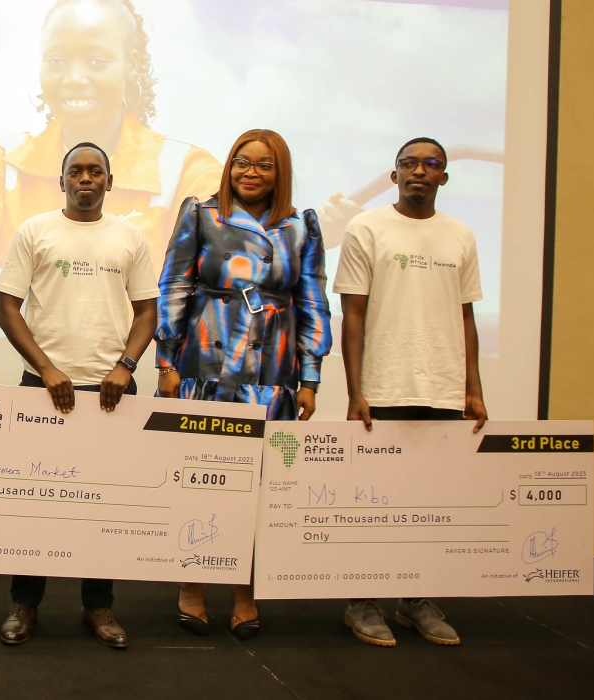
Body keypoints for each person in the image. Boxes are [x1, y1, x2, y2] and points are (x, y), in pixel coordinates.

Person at [156, 129, 332, 640]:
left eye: (263, 165)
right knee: (200, 479)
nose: (250, 173)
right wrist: (167, 364)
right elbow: (174, 285)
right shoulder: (201, 213)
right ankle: (191, 584)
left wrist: (311, 376)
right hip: (204, 363)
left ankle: (243, 590)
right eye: (241, 162)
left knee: (256, 489)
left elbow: (314, 301)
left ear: (281, 172)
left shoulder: (300, 226)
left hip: (271, 374)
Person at [0, 142, 158, 649]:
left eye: (95, 172)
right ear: (61, 180)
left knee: (103, 504)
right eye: (75, 171)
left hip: (111, 390)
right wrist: (45, 369)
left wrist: (125, 367)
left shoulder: (130, 237)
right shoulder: (35, 230)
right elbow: (6, 308)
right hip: (42, 389)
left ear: (109, 181)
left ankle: (98, 607)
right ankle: (26, 604)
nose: (85, 179)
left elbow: (147, 312)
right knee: (37, 502)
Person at [334, 136, 487, 647]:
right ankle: (363, 601)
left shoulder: (461, 235)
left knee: (429, 501)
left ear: (444, 177)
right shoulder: (367, 227)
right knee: (375, 500)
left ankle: (415, 600)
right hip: (383, 387)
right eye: (409, 164)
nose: (420, 171)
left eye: (432, 164)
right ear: (394, 174)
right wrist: (356, 390)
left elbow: (466, 316)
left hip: (443, 388)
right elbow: (351, 311)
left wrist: (474, 390)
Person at [0, 0, 223, 272]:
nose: (74, 78)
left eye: (96, 61)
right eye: (56, 61)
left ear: (131, 64)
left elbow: (231, 273)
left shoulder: (190, 173)